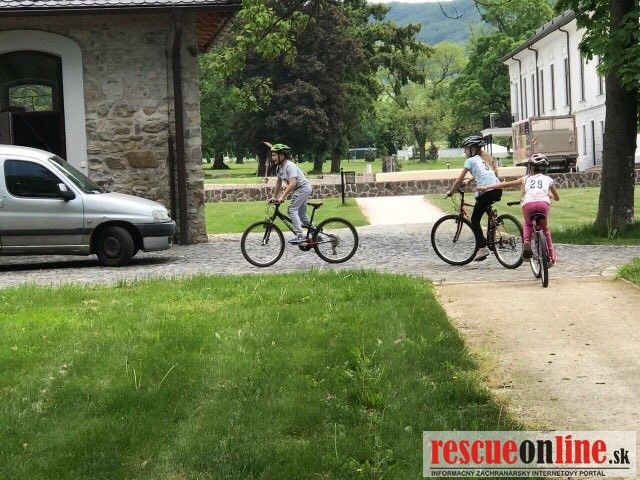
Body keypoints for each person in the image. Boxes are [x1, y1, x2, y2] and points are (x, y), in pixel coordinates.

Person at [477, 153, 560, 266]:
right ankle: (551, 257)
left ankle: (526, 241)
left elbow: (506, 184)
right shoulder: (548, 179)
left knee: (528, 224)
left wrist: (487, 187)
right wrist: (551, 196)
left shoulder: (526, 178)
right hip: (543, 204)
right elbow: (557, 197)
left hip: (528, 204)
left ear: (530, 168)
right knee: (545, 229)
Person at [446, 135, 502, 261]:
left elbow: (458, 180)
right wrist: (469, 180)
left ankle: (482, 248)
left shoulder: (470, 161)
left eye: (466, 149)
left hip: (486, 191)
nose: (464, 151)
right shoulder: (483, 159)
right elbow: (483, 173)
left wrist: (451, 192)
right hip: (497, 189)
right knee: (484, 206)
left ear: (473, 149)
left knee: (475, 220)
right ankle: (492, 230)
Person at [269, 143, 313, 244]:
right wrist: (275, 197)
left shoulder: (289, 166)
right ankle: (316, 233)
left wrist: (282, 196)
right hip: (299, 190)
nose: (272, 158)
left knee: (292, 210)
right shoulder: (279, 168)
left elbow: (293, 183)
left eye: (274, 155)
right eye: (272, 155)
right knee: (302, 215)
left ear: (281, 156)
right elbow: (278, 183)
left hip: (302, 188)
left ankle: (300, 235)